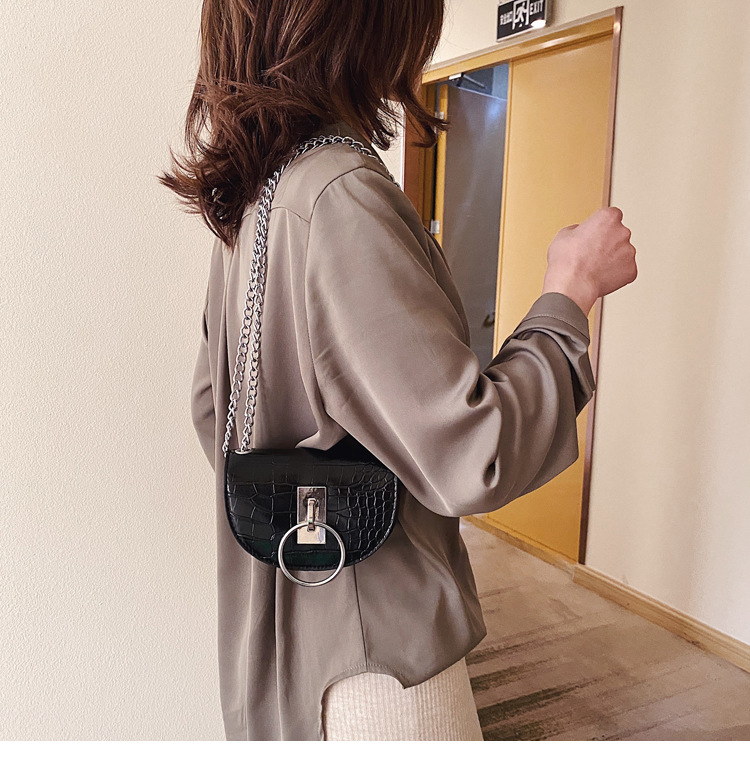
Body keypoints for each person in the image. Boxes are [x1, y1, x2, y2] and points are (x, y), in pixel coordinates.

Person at [159, 0, 637, 742]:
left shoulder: (256, 192)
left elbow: (210, 409)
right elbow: (473, 449)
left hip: (283, 640)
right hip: (379, 669)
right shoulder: (340, 193)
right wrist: (569, 290)